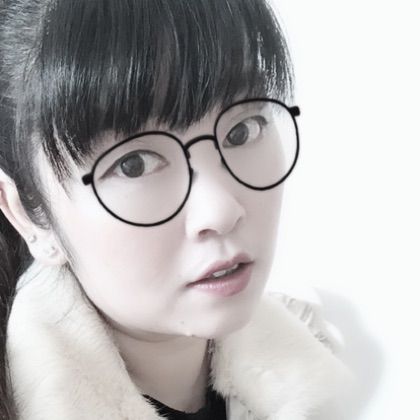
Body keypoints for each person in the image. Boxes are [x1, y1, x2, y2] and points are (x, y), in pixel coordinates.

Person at [0, 0, 353, 419]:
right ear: (28, 215)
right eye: (133, 164)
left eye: (242, 130)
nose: (221, 211)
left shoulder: (325, 354)